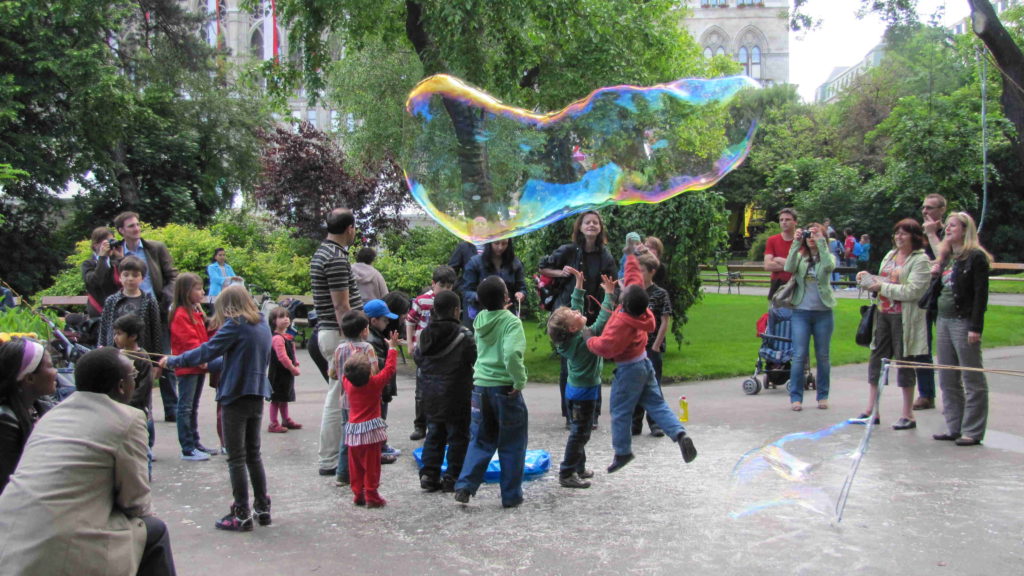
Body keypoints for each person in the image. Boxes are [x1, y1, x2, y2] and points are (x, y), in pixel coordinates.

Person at [0, 347, 177, 575]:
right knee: (154, 530)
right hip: (60, 546)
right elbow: (135, 501)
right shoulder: (128, 419)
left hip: (10, 537)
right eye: (133, 377)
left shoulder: (51, 414)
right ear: (122, 386)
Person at [160, 285, 273, 531]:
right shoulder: (262, 323)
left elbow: (207, 350)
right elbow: (233, 356)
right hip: (256, 393)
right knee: (253, 454)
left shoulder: (236, 325)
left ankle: (241, 513)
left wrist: (174, 361)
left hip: (235, 394)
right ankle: (262, 507)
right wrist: (208, 364)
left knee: (236, 457)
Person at [586, 251, 697, 473]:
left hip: (629, 370)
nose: (623, 286)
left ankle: (622, 452)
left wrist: (589, 339)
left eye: (624, 289)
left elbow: (607, 348)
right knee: (657, 404)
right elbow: (634, 277)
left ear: (625, 302)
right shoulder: (641, 310)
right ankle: (679, 433)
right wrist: (630, 255)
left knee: (620, 411)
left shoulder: (621, 324)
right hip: (644, 363)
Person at [453, 276, 529, 508]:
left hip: (480, 388)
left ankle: (465, 485)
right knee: (512, 443)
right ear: (506, 297)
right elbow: (511, 354)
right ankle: (511, 496)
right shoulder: (511, 322)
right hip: (505, 389)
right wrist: (519, 381)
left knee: (480, 439)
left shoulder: (480, 320)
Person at [538, 211, 616, 428]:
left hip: (588, 311)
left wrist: (609, 294)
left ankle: (592, 413)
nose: (591, 225)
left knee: (592, 363)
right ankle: (570, 413)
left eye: (595, 222)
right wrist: (560, 273)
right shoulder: (568, 250)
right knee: (568, 366)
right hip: (568, 312)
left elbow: (612, 280)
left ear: (600, 228)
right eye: (587, 222)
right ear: (580, 227)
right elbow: (543, 267)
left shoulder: (605, 255)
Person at [855, 219, 931, 429]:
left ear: (914, 237)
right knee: (876, 359)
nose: (899, 237)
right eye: (897, 233)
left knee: (904, 361)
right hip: (883, 314)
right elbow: (883, 282)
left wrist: (882, 286)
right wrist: (867, 279)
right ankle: (872, 410)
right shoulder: (890, 256)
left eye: (904, 233)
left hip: (904, 317)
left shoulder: (920, 260)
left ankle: (908, 414)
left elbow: (913, 291)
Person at [547, 268, 615, 489]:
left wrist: (579, 283)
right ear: (574, 328)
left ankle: (578, 466)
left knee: (579, 429)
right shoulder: (585, 341)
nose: (577, 311)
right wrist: (610, 295)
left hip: (575, 390)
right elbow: (603, 321)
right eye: (574, 315)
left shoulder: (572, 337)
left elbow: (576, 306)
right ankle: (567, 472)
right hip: (584, 393)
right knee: (581, 433)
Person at [928, 212, 991, 446]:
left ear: (965, 229)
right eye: (948, 226)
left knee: (971, 377)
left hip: (963, 321)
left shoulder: (976, 257)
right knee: (947, 376)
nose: (948, 229)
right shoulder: (947, 257)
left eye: (953, 225)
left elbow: (980, 296)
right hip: (943, 320)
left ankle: (972, 430)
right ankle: (954, 426)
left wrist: (976, 327)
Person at [311, 208, 363, 477]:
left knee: (338, 395)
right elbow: (341, 306)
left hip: (330, 332)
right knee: (337, 397)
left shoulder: (323, 252)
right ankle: (329, 459)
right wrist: (355, 337)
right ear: (350, 228)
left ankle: (336, 456)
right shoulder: (335, 258)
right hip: (338, 334)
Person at [114, 211, 179, 422]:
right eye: (131, 226)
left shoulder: (155, 248)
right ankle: (130, 405)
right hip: (127, 311)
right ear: (121, 231)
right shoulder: (117, 252)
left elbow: (172, 276)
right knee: (127, 358)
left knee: (162, 356)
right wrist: (109, 259)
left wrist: (166, 299)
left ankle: (172, 408)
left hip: (155, 308)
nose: (136, 228)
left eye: (137, 224)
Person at [414, 290, 477, 493]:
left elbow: (418, 358)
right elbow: (474, 359)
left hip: (430, 394)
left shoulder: (426, 334)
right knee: (458, 437)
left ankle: (429, 474)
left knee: (434, 434)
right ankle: (452, 477)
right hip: (457, 394)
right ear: (456, 310)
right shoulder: (464, 335)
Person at [342, 330, 400, 508]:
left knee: (355, 465)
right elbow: (389, 369)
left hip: (353, 432)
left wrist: (352, 355)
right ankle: (372, 496)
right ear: (369, 373)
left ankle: (358, 493)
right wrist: (392, 348)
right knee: (372, 466)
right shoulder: (374, 384)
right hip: (371, 432)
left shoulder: (347, 383)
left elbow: (346, 372)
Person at [783, 222, 836, 411]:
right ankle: (795, 397)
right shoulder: (800, 257)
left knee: (823, 356)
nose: (811, 238)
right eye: (809, 234)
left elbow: (829, 267)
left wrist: (821, 242)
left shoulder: (827, 256)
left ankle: (823, 396)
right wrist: (796, 243)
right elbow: (788, 268)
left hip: (823, 312)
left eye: (816, 234)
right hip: (801, 312)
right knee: (798, 356)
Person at [406, 265, 457, 441]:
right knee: (422, 390)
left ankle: (444, 425)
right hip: (424, 350)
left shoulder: (453, 301)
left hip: (444, 350)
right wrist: (411, 343)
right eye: (442, 286)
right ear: (433, 284)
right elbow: (410, 320)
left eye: (449, 287)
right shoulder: (421, 301)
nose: (445, 290)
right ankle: (420, 425)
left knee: (445, 388)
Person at [0, 339, 57, 494]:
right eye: (51, 366)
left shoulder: (39, 409)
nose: (56, 372)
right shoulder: (5, 420)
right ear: (29, 378)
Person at [168, 273, 214, 461]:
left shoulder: (195, 311)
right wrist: (200, 356)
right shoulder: (180, 314)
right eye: (197, 288)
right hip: (189, 366)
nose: (202, 292)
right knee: (185, 407)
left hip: (198, 365)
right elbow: (188, 340)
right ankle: (187, 447)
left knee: (192, 407)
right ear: (186, 291)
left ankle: (195, 442)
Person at [331, 310, 379, 487]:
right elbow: (373, 373)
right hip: (365, 402)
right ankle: (365, 473)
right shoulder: (367, 348)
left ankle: (342, 474)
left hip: (346, 400)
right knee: (367, 440)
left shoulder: (339, 349)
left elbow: (334, 373)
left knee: (347, 437)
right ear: (363, 331)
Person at [914, 192, 948, 411]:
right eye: (924, 208)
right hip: (923, 296)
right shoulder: (919, 236)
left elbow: (947, 261)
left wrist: (934, 235)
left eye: (931, 208)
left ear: (941, 210)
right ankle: (926, 393)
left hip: (947, 297)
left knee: (949, 347)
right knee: (921, 345)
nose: (926, 211)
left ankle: (954, 393)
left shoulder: (950, 232)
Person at [632, 252, 672, 437]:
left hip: (652, 345)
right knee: (635, 384)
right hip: (635, 346)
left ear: (651, 272)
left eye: (642, 271)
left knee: (653, 385)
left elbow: (664, 320)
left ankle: (655, 422)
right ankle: (635, 421)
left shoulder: (660, 293)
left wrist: (656, 344)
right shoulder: (633, 292)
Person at [113, 314, 157, 474]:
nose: (115, 337)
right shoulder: (117, 356)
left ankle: (146, 474)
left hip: (140, 411)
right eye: (115, 333)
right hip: (121, 410)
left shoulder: (142, 358)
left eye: (119, 333)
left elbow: (145, 387)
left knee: (143, 447)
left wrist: (129, 403)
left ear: (132, 336)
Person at [97, 255, 162, 356]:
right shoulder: (111, 301)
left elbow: (156, 332)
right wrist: (101, 347)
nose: (130, 278)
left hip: (140, 353)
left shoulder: (149, 301)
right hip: (115, 353)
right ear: (120, 277)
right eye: (126, 275)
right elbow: (104, 327)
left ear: (142, 278)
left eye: (135, 275)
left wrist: (156, 361)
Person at [363, 299, 400, 463]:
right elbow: (379, 365)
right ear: (373, 320)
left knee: (381, 417)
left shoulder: (376, 336)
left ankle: (382, 445)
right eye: (385, 320)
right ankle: (379, 447)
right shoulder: (372, 339)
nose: (387, 323)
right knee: (379, 419)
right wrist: (391, 349)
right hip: (379, 386)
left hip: (382, 387)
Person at [461, 238, 527, 319]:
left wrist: (521, 294)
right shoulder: (475, 263)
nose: (500, 247)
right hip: (482, 315)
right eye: (496, 243)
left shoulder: (515, 263)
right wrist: (480, 296)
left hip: (508, 315)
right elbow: (466, 291)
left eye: (504, 244)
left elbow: (521, 287)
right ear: (489, 243)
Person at [267, 307, 301, 434]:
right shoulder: (277, 338)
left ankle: (285, 419)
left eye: (287, 316)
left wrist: (295, 362)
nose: (286, 319)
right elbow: (282, 357)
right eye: (281, 317)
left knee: (284, 397)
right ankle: (273, 423)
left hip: (285, 372)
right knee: (276, 399)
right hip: (279, 374)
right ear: (274, 321)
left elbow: (291, 352)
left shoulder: (287, 336)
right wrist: (292, 368)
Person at [81, 226, 123, 318]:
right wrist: (103, 257)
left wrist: (120, 258)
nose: (110, 245)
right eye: (106, 242)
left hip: (119, 311)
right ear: (96, 245)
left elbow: (127, 280)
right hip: (99, 313)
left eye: (111, 241)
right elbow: (95, 281)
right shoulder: (88, 264)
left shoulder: (115, 262)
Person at [763, 208, 797, 300]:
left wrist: (778, 260)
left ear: (795, 222)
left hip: (797, 283)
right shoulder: (772, 240)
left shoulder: (801, 241)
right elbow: (768, 266)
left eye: (787, 219)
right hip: (777, 283)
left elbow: (802, 265)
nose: (784, 222)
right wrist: (792, 266)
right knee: (775, 312)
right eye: (781, 220)